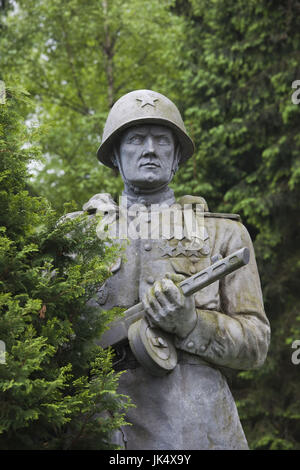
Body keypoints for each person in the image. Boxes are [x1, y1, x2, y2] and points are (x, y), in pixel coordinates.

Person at [82, 90, 270, 450]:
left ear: (177, 158)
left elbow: (256, 344)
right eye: (136, 139)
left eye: (162, 141)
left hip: (198, 430)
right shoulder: (79, 234)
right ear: (116, 158)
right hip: (101, 427)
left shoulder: (223, 234)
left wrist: (191, 324)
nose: (149, 149)